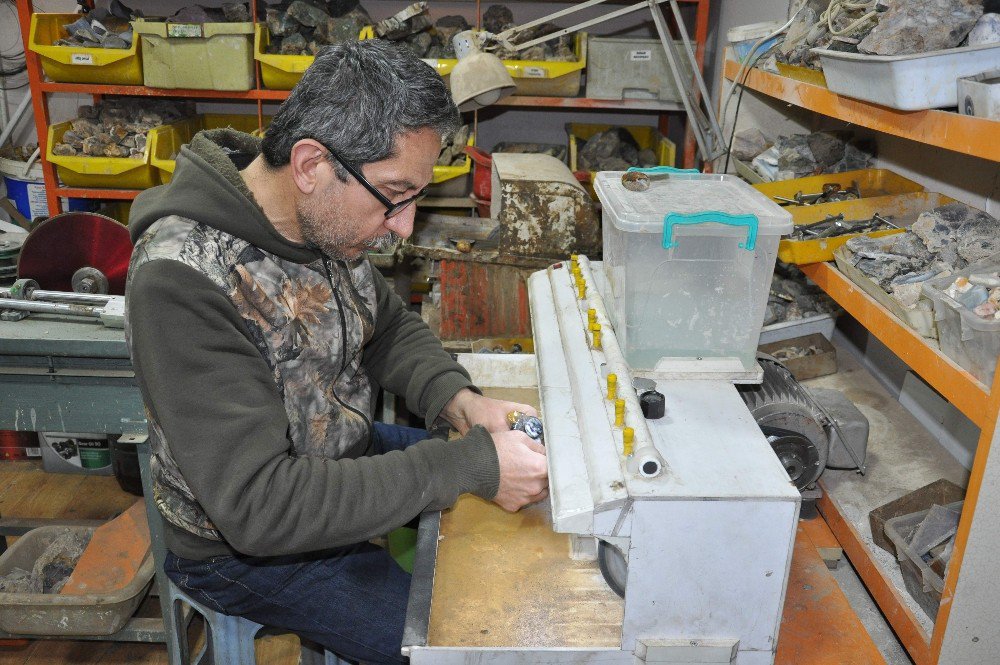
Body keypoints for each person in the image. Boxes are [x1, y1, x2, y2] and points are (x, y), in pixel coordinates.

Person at [124, 39, 549, 664]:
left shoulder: (319, 220)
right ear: (310, 165)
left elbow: (385, 325)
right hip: (248, 548)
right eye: (394, 195)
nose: (403, 226)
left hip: (335, 450)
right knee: (474, 647)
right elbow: (260, 507)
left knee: (535, 478)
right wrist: (465, 468)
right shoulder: (182, 279)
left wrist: (460, 403)